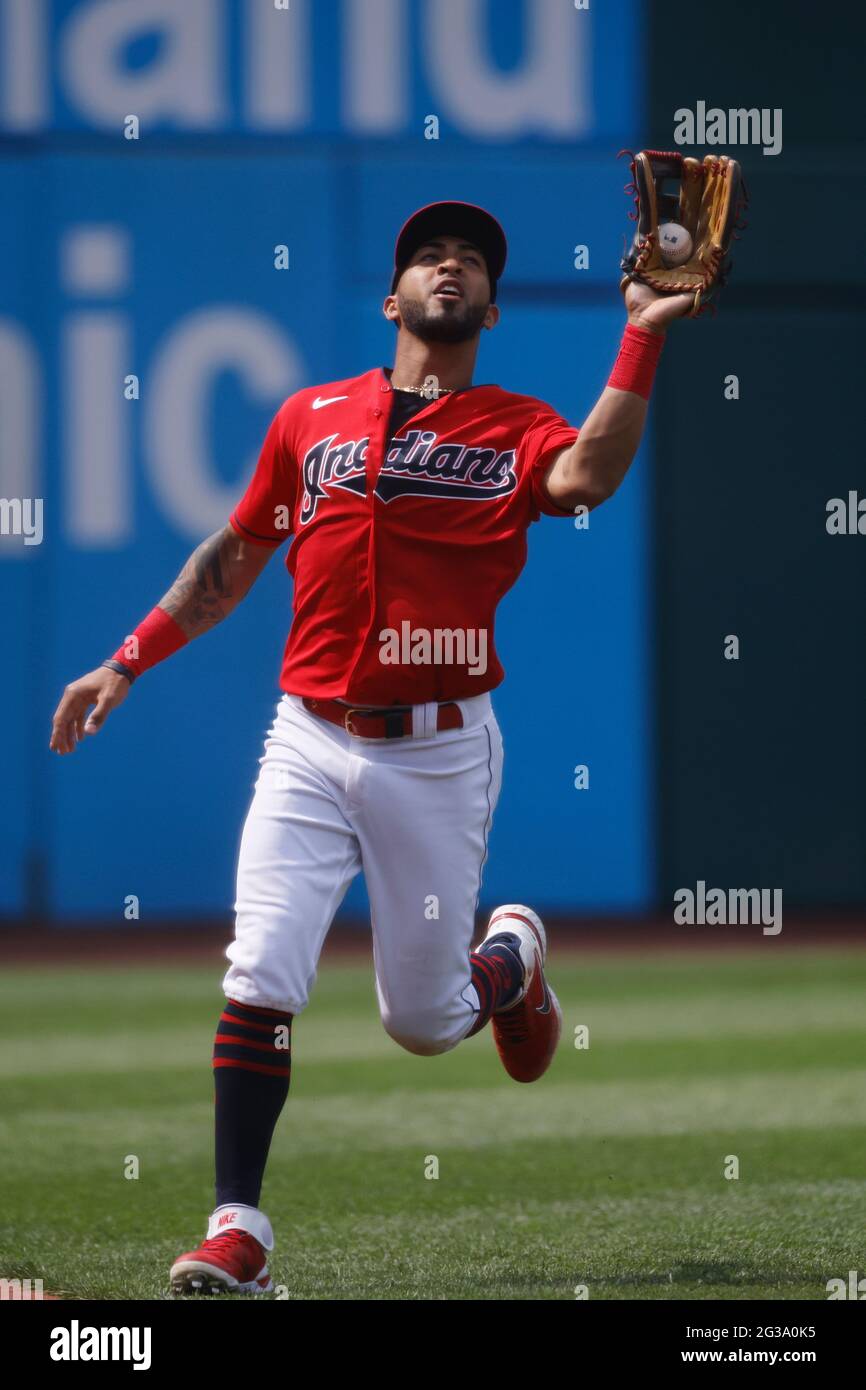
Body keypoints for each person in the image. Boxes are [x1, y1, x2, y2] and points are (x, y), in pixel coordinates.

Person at [50, 200, 692, 1295]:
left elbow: (585, 475)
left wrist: (644, 328)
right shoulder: (310, 417)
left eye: (473, 261)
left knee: (424, 1021)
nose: (451, 267)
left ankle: (510, 955)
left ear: (488, 304)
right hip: (306, 735)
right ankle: (237, 1230)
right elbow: (238, 551)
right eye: (429, 257)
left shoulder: (513, 424)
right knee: (259, 969)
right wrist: (127, 657)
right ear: (391, 298)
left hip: (436, 753)